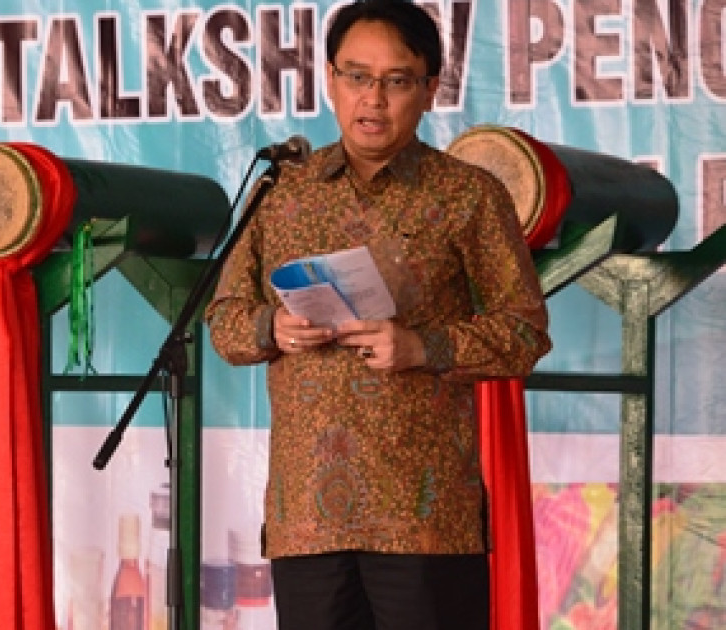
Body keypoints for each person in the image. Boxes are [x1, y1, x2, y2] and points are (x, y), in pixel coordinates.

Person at [203, 1, 552, 629]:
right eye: (357, 76)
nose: (373, 98)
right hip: (307, 517)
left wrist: (423, 348)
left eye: (396, 80)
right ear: (330, 79)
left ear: (430, 89)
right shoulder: (280, 194)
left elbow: (524, 332)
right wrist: (271, 328)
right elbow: (225, 322)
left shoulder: (469, 195)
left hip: (424, 519)